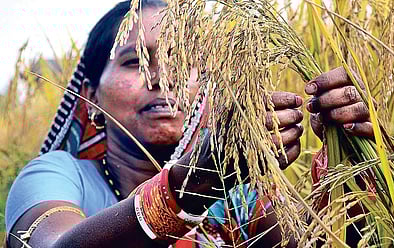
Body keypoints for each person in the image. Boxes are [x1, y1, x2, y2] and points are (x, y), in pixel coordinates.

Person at [5, 0, 373, 247]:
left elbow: (315, 242)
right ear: (91, 96)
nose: (163, 80)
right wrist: (196, 181)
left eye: (181, 65)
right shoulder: (58, 176)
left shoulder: (239, 199)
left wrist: (351, 158)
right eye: (136, 62)